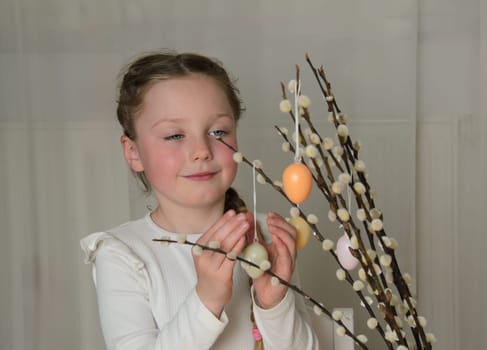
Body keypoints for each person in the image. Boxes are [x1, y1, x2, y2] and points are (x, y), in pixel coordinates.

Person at [80, 50, 319, 349]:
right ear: (133, 152)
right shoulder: (122, 254)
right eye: (174, 136)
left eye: (218, 131)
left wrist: (273, 302)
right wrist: (206, 299)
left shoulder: (266, 238)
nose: (202, 150)